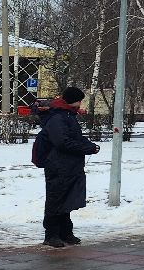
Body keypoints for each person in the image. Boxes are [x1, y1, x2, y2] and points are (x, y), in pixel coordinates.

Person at [39, 87, 99, 248]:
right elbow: (62, 142)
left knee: (67, 200)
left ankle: (65, 232)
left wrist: (90, 145)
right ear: (73, 101)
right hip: (58, 165)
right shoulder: (58, 117)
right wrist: (88, 148)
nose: (80, 104)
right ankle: (51, 234)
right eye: (79, 100)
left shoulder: (67, 115)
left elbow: (76, 137)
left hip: (69, 166)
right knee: (56, 199)